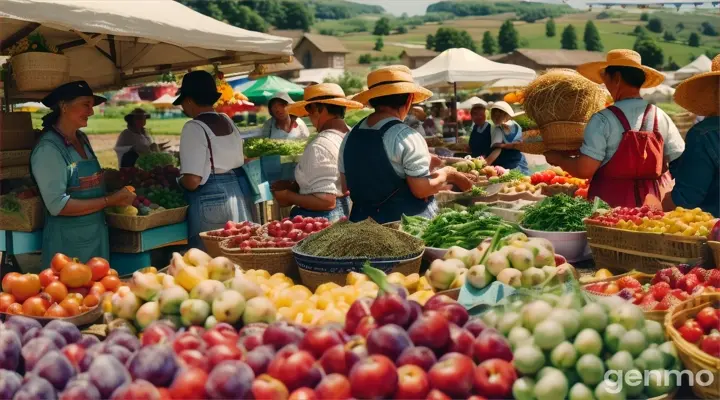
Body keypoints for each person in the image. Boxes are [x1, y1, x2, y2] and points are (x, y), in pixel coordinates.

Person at [545, 50, 685, 207]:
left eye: (606, 78)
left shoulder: (602, 120)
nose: (605, 84)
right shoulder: (661, 116)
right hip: (655, 205)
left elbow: (585, 169)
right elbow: (680, 161)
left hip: (611, 209)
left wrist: (559, 159)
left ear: (617, 78)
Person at [340, 65, 474, 224]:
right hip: (403, 230)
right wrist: (447, 174)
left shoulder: (350, 135)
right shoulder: (405, 135)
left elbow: (345, 185)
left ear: (372, 100)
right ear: (409, 99)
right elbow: (421, 190)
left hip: (359, 227)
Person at [31, 81, 136, 267]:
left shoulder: (82, 139)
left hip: (96, 235)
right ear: (64, 106)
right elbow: (58, 206)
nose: (92, 111)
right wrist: (110, 200)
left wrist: (111, 179)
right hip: (67, 244)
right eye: (86, 105)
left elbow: (84, 180)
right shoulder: (48, 149)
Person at [174, 71, 255, 248]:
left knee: (209, 258)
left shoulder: (193, 127)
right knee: (236, 253)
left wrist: (178, 181)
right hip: (236, 194)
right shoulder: (227, 120)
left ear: (188, 100)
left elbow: (193, 181)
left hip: (210, 200)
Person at [271, 83, 363, 221]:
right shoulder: (351, 134)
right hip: (347, 210)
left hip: (325, 219)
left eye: (309, 109)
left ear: (317, 109)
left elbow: (326, 201)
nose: (308, 115)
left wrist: (287, 196)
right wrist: (295, 186)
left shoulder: (320, 145)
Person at [661, 54, 719, 217]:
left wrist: (663, 202)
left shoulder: (705, 134)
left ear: (714, 91)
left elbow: (686, 199)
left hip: (712, 234)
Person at [485, 101, 529, 174]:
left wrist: (486, 163)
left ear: (505, 115)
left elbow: (497, 150)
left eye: (498, 115)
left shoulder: (498, 129)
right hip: (520, 161)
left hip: (506, 165)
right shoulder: (517, 126)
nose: (496, 117)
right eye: (495, 115)